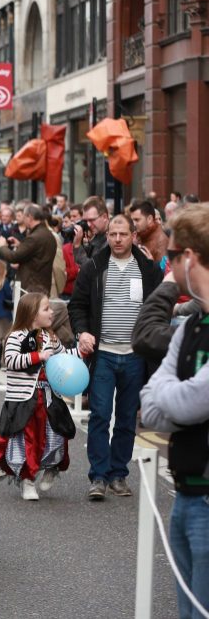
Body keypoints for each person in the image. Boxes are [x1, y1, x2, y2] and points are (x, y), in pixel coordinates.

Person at [139, 204, 209, 619]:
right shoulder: (192, 324)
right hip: (186, 493)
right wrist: (178, 399)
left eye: (173, 255)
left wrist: (176, 398)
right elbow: (151, 406)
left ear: (190, 258)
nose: (170, 266)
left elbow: (190, 400)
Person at [68, 214, 163, 501]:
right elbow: (77, 306)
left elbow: (160, 308)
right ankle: (98, 475)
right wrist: (82, 332)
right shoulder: (94, 266)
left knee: (125, 418)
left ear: (134, 235)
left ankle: (118, 473)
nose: (118, 239)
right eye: (113, 234)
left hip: (135, 356)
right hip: (104, 355)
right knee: (99, 415)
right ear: (106, 236)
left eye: (123, 234)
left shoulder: (148, 269)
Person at [0, 292, 79, 500]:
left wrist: (81, 352)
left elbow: (63, 357)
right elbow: (11, 360)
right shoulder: (16, 336)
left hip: (49, 397)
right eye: (46, 308)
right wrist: (37, 356)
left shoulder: (50, 337)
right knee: (30, 439)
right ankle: (28, 480)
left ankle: (53, 467)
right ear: (32, 314)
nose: (52, 312)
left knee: (58, 436)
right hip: (24, 400)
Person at [131, 200, 169, 269]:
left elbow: (162, 274)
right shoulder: (140, 235)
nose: (134, 224)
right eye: (132, 220)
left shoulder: (161, 241)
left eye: (137, 220)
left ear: (149, 219)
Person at [74, 196, 110, 267]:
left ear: (104, 217)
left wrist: (78, 246)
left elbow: (94, 268)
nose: (88, 224)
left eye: (92, 220)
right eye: (85, 220)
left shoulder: (113, 238)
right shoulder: (98, 234)